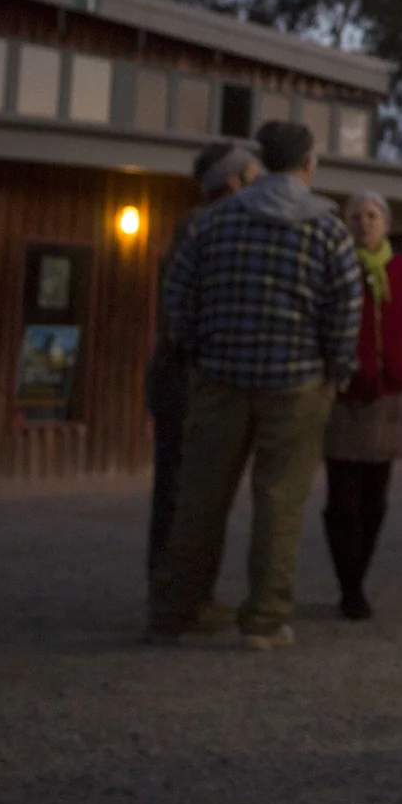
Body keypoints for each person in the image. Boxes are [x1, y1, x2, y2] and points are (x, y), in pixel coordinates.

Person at [149, 120, 359, 651]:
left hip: (219, 378)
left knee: (200, 499)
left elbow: (178, 298)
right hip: (296, 384)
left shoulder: (210, 224)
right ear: (308, 163)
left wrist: (197, 352)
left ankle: (175, 610)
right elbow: (345, 310)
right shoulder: (328, 229)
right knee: (279, 502)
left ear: (262, 162)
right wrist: (336, 369)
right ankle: (264, 619)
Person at [146, 139, 261, 583]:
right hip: (187, 376)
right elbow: (182, 311)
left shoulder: (206, 224)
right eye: (251, 173)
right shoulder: (205, 226)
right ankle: (173, 590)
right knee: (183, 489)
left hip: (189, 373)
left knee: (193, 489)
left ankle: (183, 588)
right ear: (233, 181)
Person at [322, 191, 402, 621]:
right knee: (343, 500)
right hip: (345, 398)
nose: (364, 223)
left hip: (388, 398)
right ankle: (349, 586)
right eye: (355, 216)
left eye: (371, 216)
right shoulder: (336, 269)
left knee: (375, 499)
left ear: (386, 224)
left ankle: (359, 574)